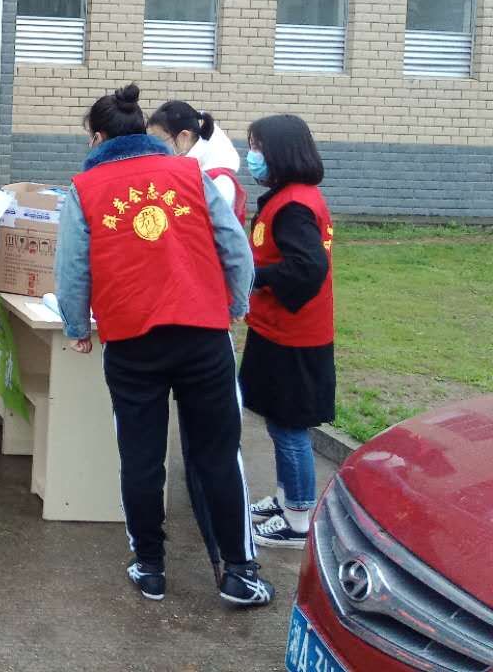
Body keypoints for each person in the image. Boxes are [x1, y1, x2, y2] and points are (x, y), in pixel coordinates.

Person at [54, 84, 273, 607]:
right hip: (202, 335)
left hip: (131, 342)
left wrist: (77, 326)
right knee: (220, 454)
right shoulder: (189, 173)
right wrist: (237, 302)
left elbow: (72, 269)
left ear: (99, 136)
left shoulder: (84, 188)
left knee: (141, 456)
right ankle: (240, 573)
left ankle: (150, 567)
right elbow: (233, 245)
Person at [238, 115, 336, 551]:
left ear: (278, 151)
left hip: (294, 334)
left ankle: (298, 517)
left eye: (256, 146)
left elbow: (309, 267)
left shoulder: (295, 204)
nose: (251, 155)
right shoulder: (286, 197)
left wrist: (252, 275)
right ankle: (284, 500)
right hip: (276, 327)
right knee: (278, 422)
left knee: (289, 426)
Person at [147, 101, 247, 224]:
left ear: (184, 136)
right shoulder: (185, 168)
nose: (156, 148)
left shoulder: (218, 181)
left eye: (160, 140)